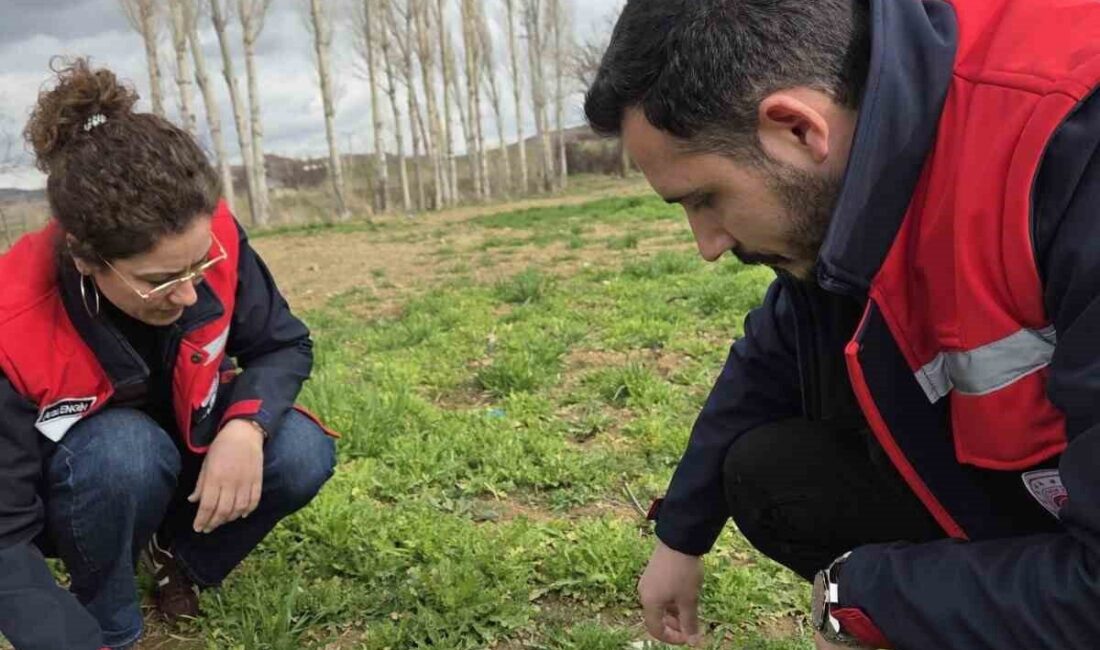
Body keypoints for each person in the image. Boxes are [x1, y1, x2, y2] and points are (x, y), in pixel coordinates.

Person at [585, 0, 1100, 648]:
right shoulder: (872, 143)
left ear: (798, 129)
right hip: (1041, 498)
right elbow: (773, 351)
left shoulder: (1072, 149)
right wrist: (679, 536)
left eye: (705, 199)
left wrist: (864, 598)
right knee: (772, 472)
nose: (707, 244)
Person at [0, 59, 337, 650]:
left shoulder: (207, 234)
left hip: (187, 447)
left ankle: (179, 562)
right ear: (85, 258)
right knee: (124, 449)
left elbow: (282, 343)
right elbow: (4, 536)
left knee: (301, 450)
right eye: (159, 280)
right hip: (84, 485)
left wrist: (246, 427)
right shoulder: (12, 322)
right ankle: (109, 618)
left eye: (199, 265)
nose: (188, 295)